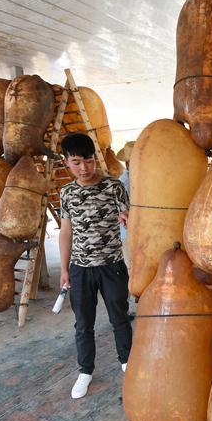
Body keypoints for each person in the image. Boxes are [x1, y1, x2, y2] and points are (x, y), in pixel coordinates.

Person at [59, 133, 132, 399]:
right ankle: (85, 371)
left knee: (120, 317)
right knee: (83, 323)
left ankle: (127, 363)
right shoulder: (66, 193)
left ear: (95, 159)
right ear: (66, 162)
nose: (84, 168)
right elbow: (66, 232)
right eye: (76, 162)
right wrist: (65, 269)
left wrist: (128, 218)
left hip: (111, 265)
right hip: (80, 268)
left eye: (88, 161)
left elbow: (129, 217)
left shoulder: (114, 187)